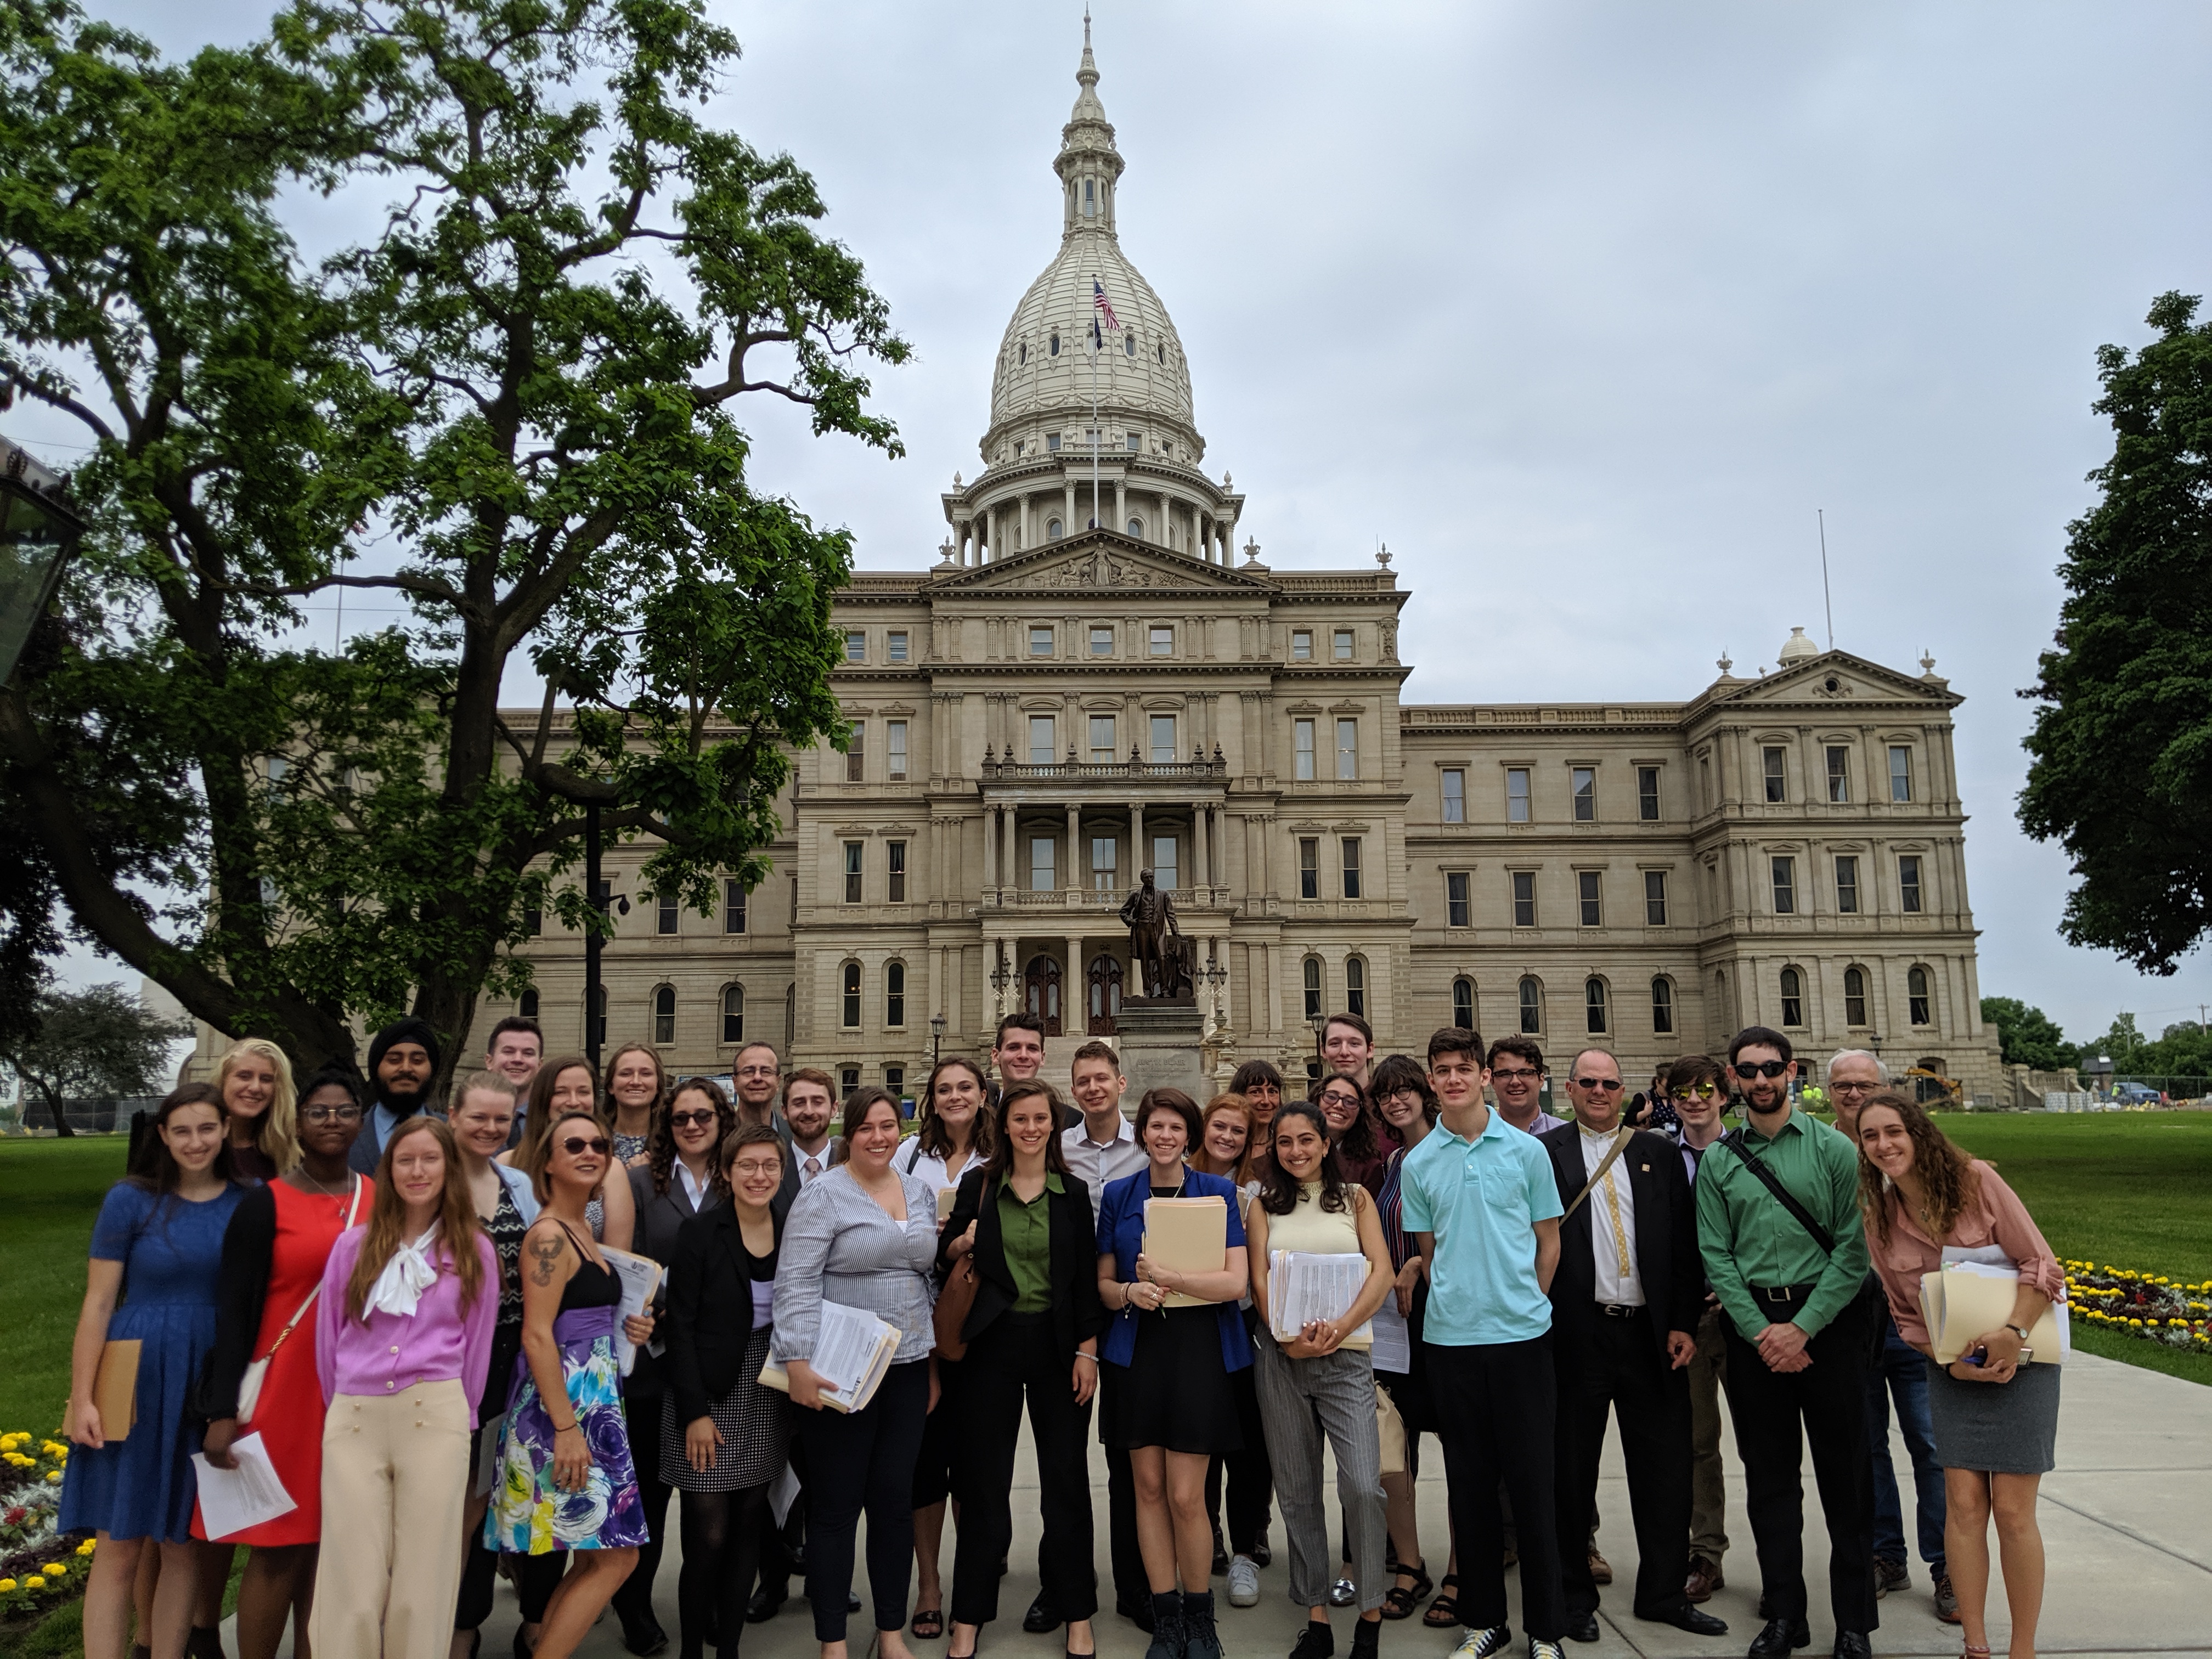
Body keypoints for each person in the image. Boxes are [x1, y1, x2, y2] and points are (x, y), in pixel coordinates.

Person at [1853, 1090, 2063, 1659]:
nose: (1883, 1145)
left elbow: (2041, 1264)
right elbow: (1902, 1311)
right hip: (1951, 1373)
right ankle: (1976, 1647)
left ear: (1917, 1133)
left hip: (2023, 1362)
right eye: (1870, 1136)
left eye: (1893, 1131)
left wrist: (2011, 1333)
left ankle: (2023, 1650)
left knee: (2015, 1513)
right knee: (1964, 1507)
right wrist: (1948, 1362)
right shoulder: (1880, 1215)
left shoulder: (1975, 1182)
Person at [1696, 1026, 1877, 1659]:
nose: (1762, 1080)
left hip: (1828, 1326)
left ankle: (1853, 1622)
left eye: (1771, 1068)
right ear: (1734, 1079)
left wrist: (1802, 1328)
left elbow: (1855, 1251)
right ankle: (1786, 1616)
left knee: (1845, 1480)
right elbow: (1716, 1256)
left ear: (1791, 1071)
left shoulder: (1833, 1151)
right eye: (1749, 1071)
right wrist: (1761, 1331)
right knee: (1771, 1483)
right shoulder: (1720, 1161)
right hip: (1754, 1333)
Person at [1536, 1051, 1725, 1642]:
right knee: (1571, 1471)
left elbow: (1683, 1245)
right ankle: (1573, 1597)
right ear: (1568, 1089)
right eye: (1587, 1082)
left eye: (1608, 1083)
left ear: (1626, 1091)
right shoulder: (1544, 1154)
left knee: (1665, 1471)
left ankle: (1664, 1594)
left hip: (1650, 1334)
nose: (1598, 1091)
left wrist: (1683, 1323)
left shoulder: (1658, 1155)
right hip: (1576, 1332)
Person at [1400, 1027, 1567, 1659]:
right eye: (1441, 1070)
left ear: (1483, 1076)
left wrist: (1527, 1301)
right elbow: (1430, 1253)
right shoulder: (1419, 1163)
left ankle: (1545, 1629)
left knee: (1532, 1487)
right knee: (1468, 1488)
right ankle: (1484, 1621)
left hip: (1522, 1338)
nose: (1452, 1079)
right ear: (1432, 1080)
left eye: (1463, 1068)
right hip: (1451, 1342)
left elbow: (1548, 1243)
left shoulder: (1526, 1152)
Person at [63, 1084, 244, 1659]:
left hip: (205, 1381)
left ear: (226, 1132)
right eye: (183, 1130)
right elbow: (97, 1303)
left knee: (183, 1543)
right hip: (132, 1376)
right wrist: (82, 1397)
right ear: (163, 1136)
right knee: (118, 1543)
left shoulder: (249, 1201)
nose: (196, 1142)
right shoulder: (130, 1200)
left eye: (207, 1129)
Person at [196, 1068, 371, 1659]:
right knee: (278, 1546)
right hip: (283, 1395)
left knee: (332, 1546)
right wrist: (221, 1410)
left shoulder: (380, 1199)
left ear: (360, 1120)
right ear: (297, 1123)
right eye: (319, 1112)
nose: (331, 1122)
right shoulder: (264, 1205)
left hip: (355, 1392)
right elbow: (234, 1311)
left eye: (344, 1111)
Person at [311, 1115, 498, 1659]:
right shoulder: (354, 1248)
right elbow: (329, 1342)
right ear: (389, 1170)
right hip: (356, 1419)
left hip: (434, 1417)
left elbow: (478, 1348)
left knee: (424, 1581)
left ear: (448, 1169)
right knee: (354, 1580)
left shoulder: (473, 1252)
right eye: (405, 1160)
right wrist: (343, 1407)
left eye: (430, 1159)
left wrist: (456, 1421)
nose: (418, 1171)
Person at [936, 1081, 1105, 1659]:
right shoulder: (978, 1186)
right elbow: (943, 1260)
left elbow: (1084, 1279)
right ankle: (969, 1618)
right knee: (983, 1487)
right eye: (1020, 1119)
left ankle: (1077, 1612)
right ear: (1003, 1126)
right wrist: (962, 1241)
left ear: (1053, 1127)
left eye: (1041, 1119)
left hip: (1058, 1350)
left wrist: (1088, 1351)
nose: (1031, 1128)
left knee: (1066, 1484)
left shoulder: (1073, 1192)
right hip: (991, 1345)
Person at [771, 1087, 937, 1659]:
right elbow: (795, 1280)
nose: (879, 1137)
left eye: (889, 1126)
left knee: (894, 1503)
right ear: (850, 1132)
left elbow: (929, 1279)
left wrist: (934, 1359)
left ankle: (891, 1631)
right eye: (867, 1127)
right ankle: (833, 1641)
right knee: (838, 1506)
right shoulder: (823, 1194)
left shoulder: (918, 1190)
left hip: (909, 1365)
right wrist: (796, 1362)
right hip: (838, 1368)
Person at [487, 1108, 658, 1659]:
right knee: (617, 1558)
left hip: (595, 1401)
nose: (590, 1153)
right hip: (564, 1410)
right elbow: (537, 1337)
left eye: (599, 1146)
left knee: (593, 1557)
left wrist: (633, 1325)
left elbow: (579, 1318)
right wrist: (566, 1429)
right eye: (576, 1145)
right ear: (550, 1164)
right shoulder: (549, 1237)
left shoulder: (582, 1229)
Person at [1094, 1087, 1252, 1659]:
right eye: (1155, 1127)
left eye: (1175, 1128)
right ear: (1143, 1135)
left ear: (1190, 1136)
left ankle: (1199, 1617)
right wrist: (1130, 1290)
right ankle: (1165, 1618)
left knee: (1188, 1497)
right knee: (1149, 1489)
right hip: (1138, 1351)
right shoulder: (1119, 1194)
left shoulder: (1218, 1192)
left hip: (1199, 1352)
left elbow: (1235, 1285)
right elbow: (1104, 1285)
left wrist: (1171, 1276)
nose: (1164, 1137)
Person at [1245, 1101, 1395, 1659]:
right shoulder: (1263, 1206)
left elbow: (1379, 1270)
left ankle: (1371, 1611)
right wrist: (1285, 1336)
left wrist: (1342, 1327)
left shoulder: (1354, 1200)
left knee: (1362, 1484)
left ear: (1326, 1144)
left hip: (1346, 1357)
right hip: (1282, 1359)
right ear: (1274, 1150)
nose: (1297, 1151)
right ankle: (1316, 1615)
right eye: (1285, 1143)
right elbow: (1259, 1278)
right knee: (1298, 1491)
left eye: (1306, 1140)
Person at [1829, 1050, 1954, 1622]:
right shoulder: (1821, 1151)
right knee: (1866, 1448)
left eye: (1864, 1085)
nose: (1853, 1094)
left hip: (1916, 1322)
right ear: (1827, 1092)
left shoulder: (1915, 1153)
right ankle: (1885, 1555)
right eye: (1842, 1086)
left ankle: (1948, 1563)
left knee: (1930, 1444)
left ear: (1886, 1089)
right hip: (1850, 1323)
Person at [663, 1123, 795, 1659]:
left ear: (782, 1174)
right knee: (708, 1535)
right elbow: (680, 1326)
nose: (758, 1176)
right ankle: (694, 1648)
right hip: (708, 1389)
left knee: (747, 1527)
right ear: (726, 1171)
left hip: (767, 1390)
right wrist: (694, 1412)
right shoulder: (701, 1233)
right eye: (747, 1166)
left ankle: (729, 1650)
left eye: (769, 1166)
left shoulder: (792, 1231)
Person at [617, 1077, 738, 1657]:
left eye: (703, 1117)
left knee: (707, 1495)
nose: (692, 1126)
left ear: (722, 1121)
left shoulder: (739, 1180)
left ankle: (709, 1605)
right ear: (668, 1127)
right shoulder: (641, 1182)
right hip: (650, 1357)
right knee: (648, 1495)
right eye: (681, 1118)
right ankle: (635, 1607)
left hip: (714, 1358)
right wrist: (653, 1311)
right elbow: (627, 1260)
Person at [448, 1072, 564, 1659]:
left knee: (523, 1493)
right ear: (453, 1117)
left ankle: (534, 1619)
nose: (491, 1128)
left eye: (501, 1119)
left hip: (517, 1360)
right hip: (450, 1368)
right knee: (462, 1506)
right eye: (479, 1118)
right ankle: (461, 1626)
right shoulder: (428, 1183)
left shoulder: (518, 1184)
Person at [1045, 1040, 1150, 1635]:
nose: (1092, 1088)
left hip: (1131, 1303)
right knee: (1063, 1457)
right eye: (1081, 1081)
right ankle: (1061, 1586)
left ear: (1120, 1082)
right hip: (1069, 1307)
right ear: (1074, 1088)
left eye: (1100, 1078)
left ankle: (1135, 1585)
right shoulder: (1056, 1150)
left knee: (1128, 1454)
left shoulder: (1150, 1145)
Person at [902, 1058, 997, 1640]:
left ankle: (969, 1586)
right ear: (932, 1099)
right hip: (918, 1325)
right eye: (945, 1090)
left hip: (980, 1324)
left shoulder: (1003, 1155)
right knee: (924, 1465)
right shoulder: (907, 1156)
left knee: (976, 1467)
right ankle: (930, 1584)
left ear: (984, 1095)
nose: (956, 1097)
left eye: (966, 1087)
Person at [1369, 1056, 1451, 1628]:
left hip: (1445, 1317)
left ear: (1425, 1093)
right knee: (1393, 1453)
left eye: (1404, 1092)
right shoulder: (1396, 1159)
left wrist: (1418, 1263)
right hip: (1397, 1324)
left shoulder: (1453, 1150)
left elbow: (1470, 1227)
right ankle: (1409, 1564)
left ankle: (1461, 1573)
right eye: (1386, 1097)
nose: (1396, 1102)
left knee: (1464, 1448)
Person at [1187, 1095, 1270, 1606]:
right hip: (1190, 1332)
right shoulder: (1173, 1182)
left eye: (1238, 1132)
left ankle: (1245, 1548)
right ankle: (1207, 1533)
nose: (1228, 1138)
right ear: (1204, 1128)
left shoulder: (1257, 1193)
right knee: (1199, 1444)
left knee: (1248, 1443)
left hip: (1241, 1327)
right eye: (1220, 1127)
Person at [1662, 1054, 1733, 1607]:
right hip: (1690, 1322)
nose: (1694, 1098)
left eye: (1705, 1088)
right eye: (1683, 1091)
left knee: (1767, 1447)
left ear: (1723, 1094)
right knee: (1696, 1443)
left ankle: (1782, 1564)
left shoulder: (1749, 1153)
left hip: (1750, 1321)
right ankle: (1705, 1553)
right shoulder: (1659, 1157)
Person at [505, 1056, 636, 1249]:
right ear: (543, 1098)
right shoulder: (508, 1164)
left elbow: (618, 1259)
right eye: (561, 1092)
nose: (574, 1102)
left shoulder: (610, 1170)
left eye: (583, 1092)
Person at [351, 1016, 443, 1175]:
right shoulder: (348, 1136)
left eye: (417, 1060)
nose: (406, 1068)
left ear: (432, 1070)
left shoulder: (454, 1134)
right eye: (394, 1060)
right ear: (375, 1069)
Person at [213, 1039, 301, 1184]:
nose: (255, 1088)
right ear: (223, 1080)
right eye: (244, 1076)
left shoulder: (292, 1151)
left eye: (266, 1079)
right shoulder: (199, 1145)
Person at [1313, 1073, 1386, 1197]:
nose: (1339, 1105)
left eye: (1350, 1102)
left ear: (1359, 1114)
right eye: (1331, 1097)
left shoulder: (1369, 1168)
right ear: (1317, 1100)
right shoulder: (1294, 1153)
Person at [1485, 1037, 1567, 1138]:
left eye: (1525, 1073)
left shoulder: (1567, 1137)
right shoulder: (1477, 1138)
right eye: (1505, 1074)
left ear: (1541, 1080)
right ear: (1492, 1081)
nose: (1515, 1082)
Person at [485, 1015, 545, 1149]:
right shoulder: (465, 1122)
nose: (518, 1059)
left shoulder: (552, 1122)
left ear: (540, 1065)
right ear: (489, 1061)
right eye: (508, 1051)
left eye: (528, 1053)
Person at [607, 1042, 670, 1166]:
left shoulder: (673, 1140)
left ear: (658, 1086)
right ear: (610, 1086)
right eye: (626, 1074)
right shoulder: (593, 1138)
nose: (636, 1082)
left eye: (646, 1074)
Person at [1228, 1060, 1284, 1155]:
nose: (1266, 1101)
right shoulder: (1227, 1148)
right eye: (1256, 1092)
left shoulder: (1283, 1149)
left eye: (1272, 1091)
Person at [991, 1011, 1047, 1091]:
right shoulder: (976, 1104)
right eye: (1014, 1048)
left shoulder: (1052, 1104)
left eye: (1032, 1049)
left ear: (1042, 1058)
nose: (1023, 1055)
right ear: (996, 1056)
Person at [1320, 1014, 1375, 1092]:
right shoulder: (1315, 1102)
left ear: (1370, 1050)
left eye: (1354, 1044)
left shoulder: (1388, 1101)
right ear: (1323, 1051)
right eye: (1335, 1044)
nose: (1344, 1052)